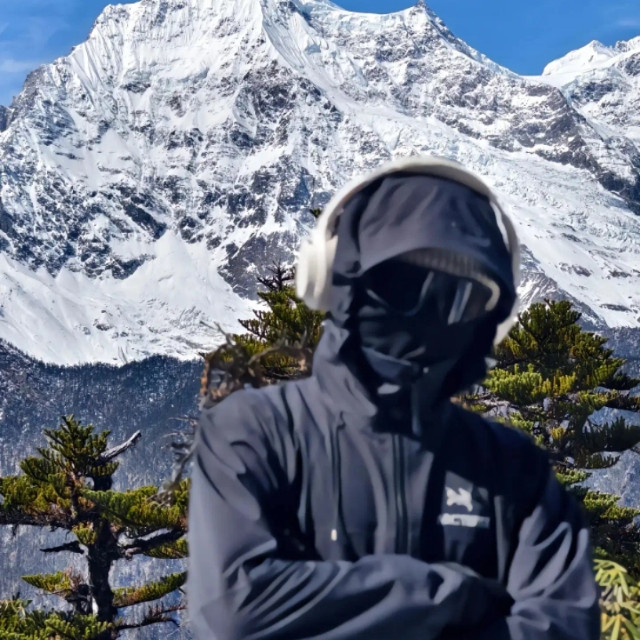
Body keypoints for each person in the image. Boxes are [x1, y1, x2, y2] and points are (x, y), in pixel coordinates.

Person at [187, 156, 600, 639]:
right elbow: (235, 611)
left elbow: (564, 625)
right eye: (401, 284)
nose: (427, 312)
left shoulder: (515, 469)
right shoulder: (254, 432)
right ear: (337, 281)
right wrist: (456, 596)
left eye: (459, 297)